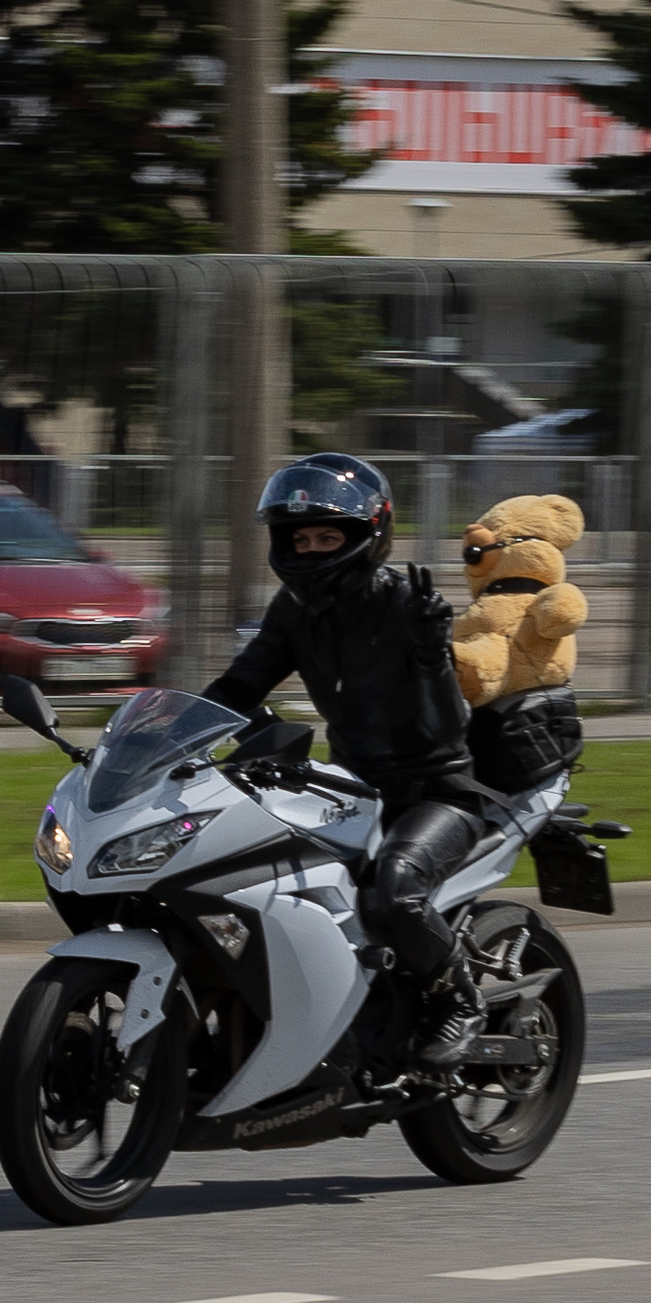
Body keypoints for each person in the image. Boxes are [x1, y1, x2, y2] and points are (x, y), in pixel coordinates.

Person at [201, 452, 491, 1066]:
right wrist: (159, 741)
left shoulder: (404, 604)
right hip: (350, 789)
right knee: (259, 882)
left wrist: (432, 653)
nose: (310, 550)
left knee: (393, 894)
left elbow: (449, 729)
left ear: (369, 534)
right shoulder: (294, 611)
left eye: (327, 536)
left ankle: (458, 1000)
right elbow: (235, 690)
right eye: (299, 538)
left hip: (436, 793)